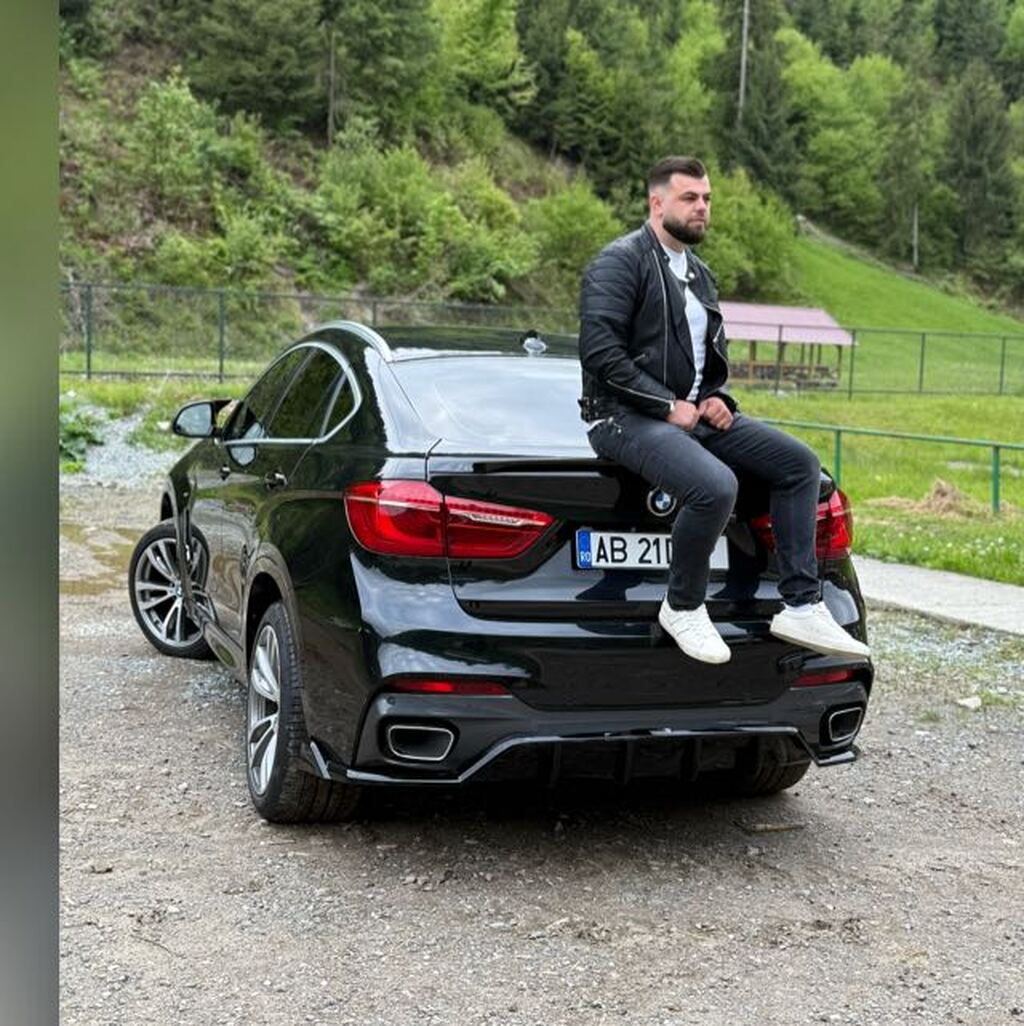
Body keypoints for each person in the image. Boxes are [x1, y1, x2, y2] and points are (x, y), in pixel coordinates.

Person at [578, 155, 870, 665]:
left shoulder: (700, 274)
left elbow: (705, 359)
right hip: (621, 416)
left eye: (707, 198)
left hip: (689, 415)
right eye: (689, 198)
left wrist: (718, 397)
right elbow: (600, 354)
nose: (702, 207)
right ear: (657, 203)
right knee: (715, 486)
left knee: (799, 465)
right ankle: (682, 606)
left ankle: (801, 605)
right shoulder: (619, 262)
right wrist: (666, 405)